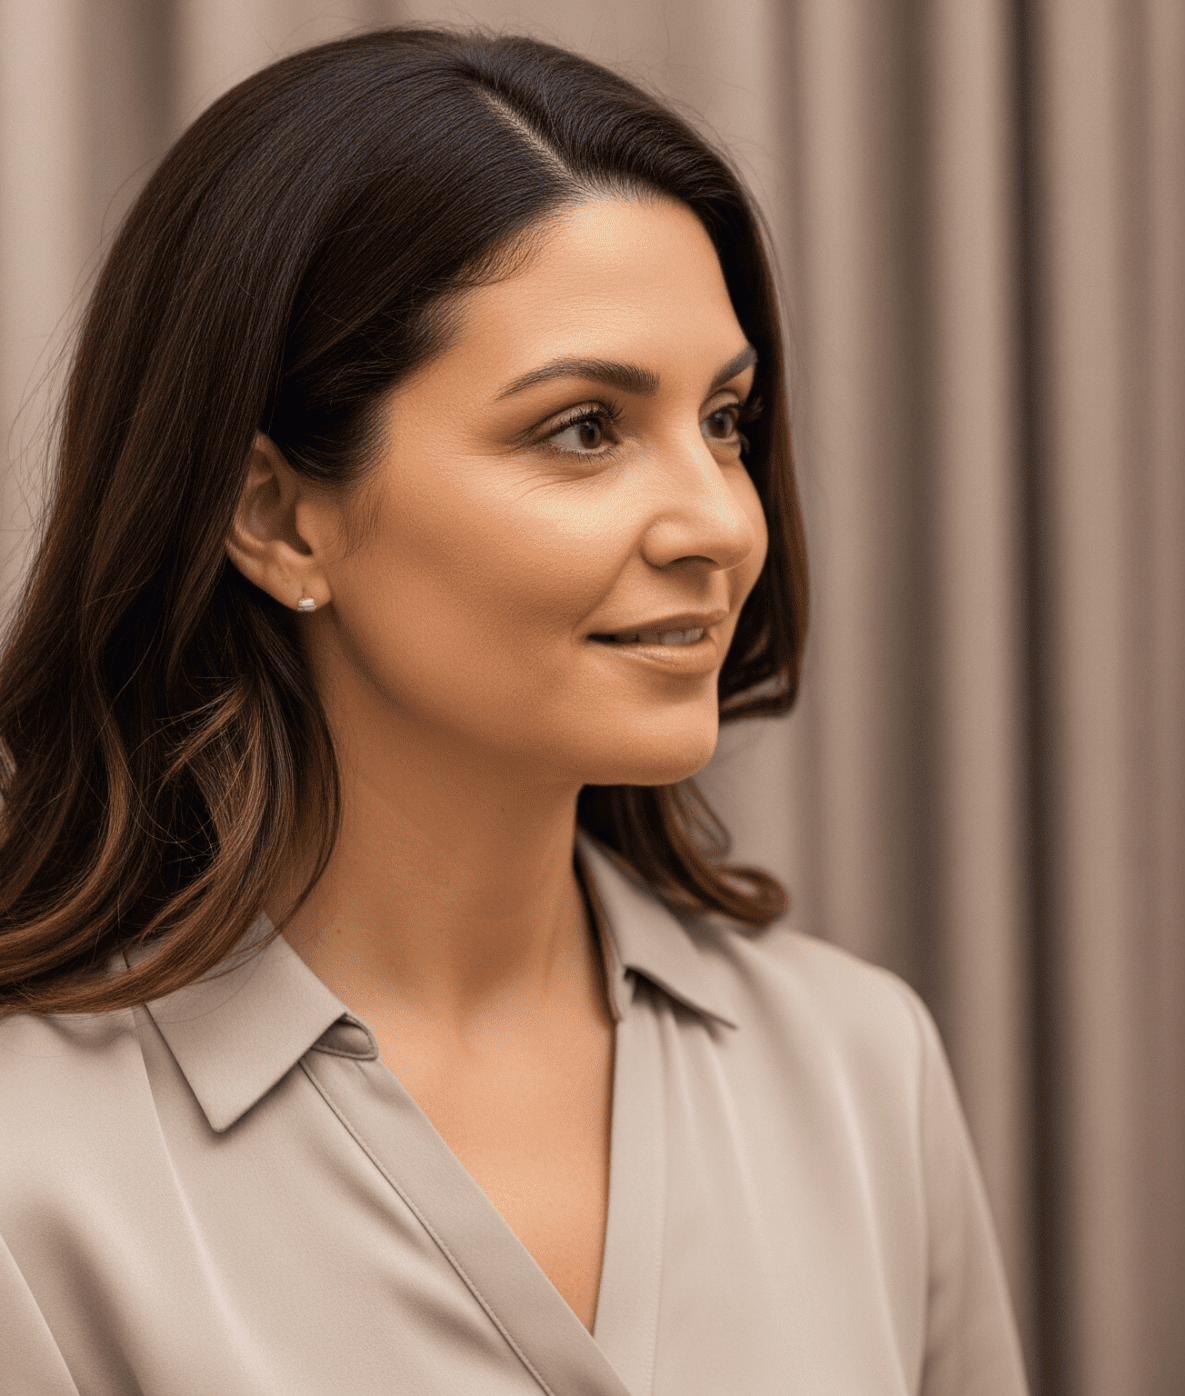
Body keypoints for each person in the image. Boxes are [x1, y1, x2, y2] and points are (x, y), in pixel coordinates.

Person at [0, 28, 1025, 1396]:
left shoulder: (857, 1070)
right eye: (584, 429)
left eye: (726, 419)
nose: (721, 519)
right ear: (276, 516)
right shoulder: (33, 1167)